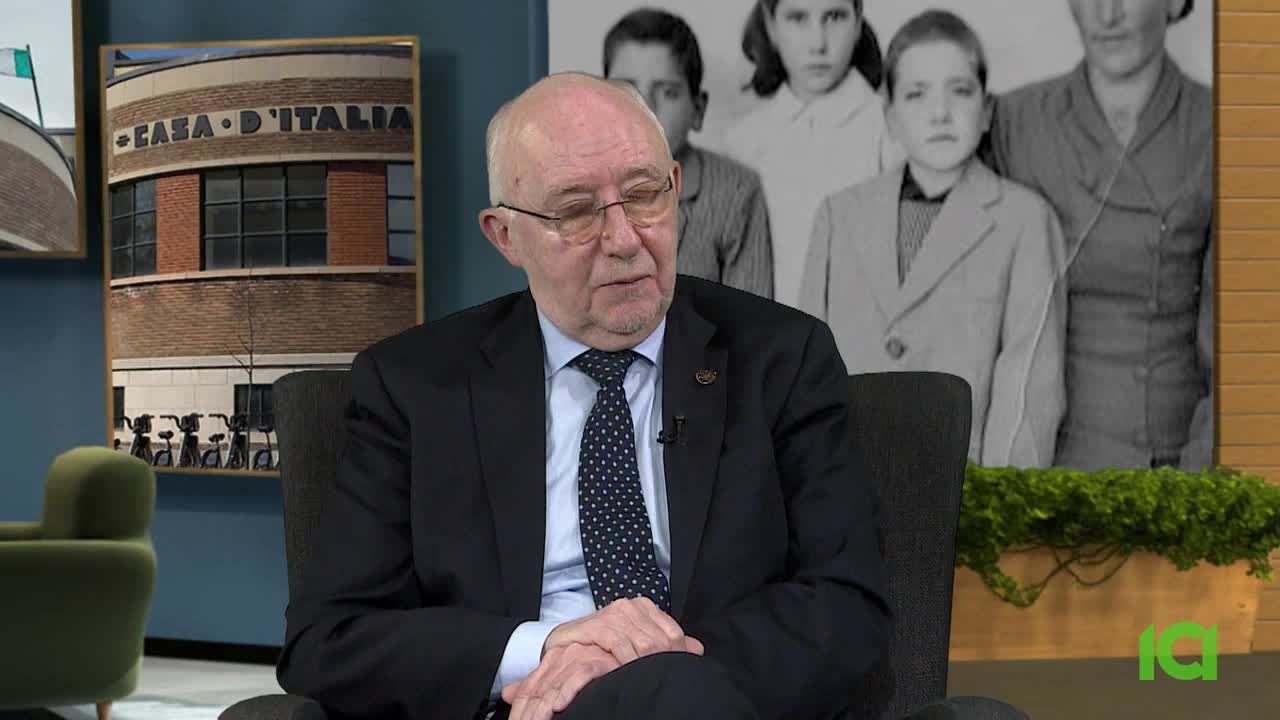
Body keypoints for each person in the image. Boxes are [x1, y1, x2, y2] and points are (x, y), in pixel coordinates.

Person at [275, 72, 890, 720]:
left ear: (676, 189)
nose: (624, 240)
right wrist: (546, 650)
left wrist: (649, 664)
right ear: (504, 236)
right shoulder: (415, 385)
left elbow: (846, 602)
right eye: (575, 211)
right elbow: (329, 639)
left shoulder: (780, 359)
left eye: (644, 195)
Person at [798, 9, 1067, 468]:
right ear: (891, 117)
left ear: (986, 112)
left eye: (960, 92)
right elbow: (804, 372)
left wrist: (999, 507)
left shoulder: (1025, 220)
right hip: (849, 489)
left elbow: (1029, 388)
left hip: (965, 496)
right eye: (916, 95)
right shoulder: (838, 215)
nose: (940, 113)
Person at [987, 0, 1214, 472]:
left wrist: (1198, 493)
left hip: (1171, 470)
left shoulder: (1219, 127)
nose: (1106, 15)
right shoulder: (1014, 122)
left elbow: (1238, 351)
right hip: (1037, 470)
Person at [723, 0, 902, 310]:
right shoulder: (743, 141)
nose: (818, 43)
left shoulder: (891, 131)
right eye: (798, 18)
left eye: (834, 17)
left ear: (858, 22)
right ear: (771, 25)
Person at [603, 8, 774, 299]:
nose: (645, 110)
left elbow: (753, 333)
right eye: (626, 90)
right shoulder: (573, 186)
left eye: (668, 92)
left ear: (698, 109)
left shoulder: (735, 192)